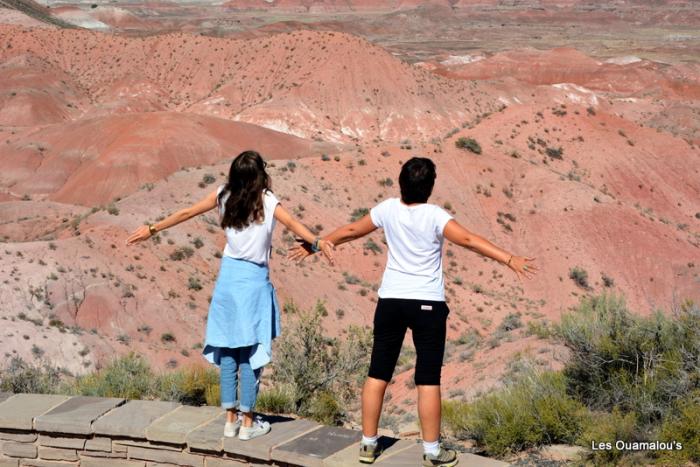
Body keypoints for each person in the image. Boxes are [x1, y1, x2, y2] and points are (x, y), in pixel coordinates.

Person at [290, 156, 537, 466]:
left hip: (391, 301)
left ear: (401, 183)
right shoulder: (435, 216)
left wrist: (317, 244)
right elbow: (469, 240)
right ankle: (432, 452)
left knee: (377, 373)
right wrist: (509, 258)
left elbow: (352, 230)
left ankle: (368, 445)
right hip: (427, 305)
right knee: (428, 379)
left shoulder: (388, 209)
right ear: (430, 187)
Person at [127, 150, 334, 441]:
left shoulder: (223, 195)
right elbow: (295, 226)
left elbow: (186, 212)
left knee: (228, 350)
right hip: (252, 283)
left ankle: (229, 420)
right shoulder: (267, 200)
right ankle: (248, 424)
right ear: (260, 174)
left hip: (227, 280)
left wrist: (152, 228)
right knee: (250, 353)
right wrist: (318, 242)